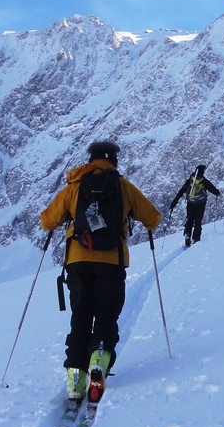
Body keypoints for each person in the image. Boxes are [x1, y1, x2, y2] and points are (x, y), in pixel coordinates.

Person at [40, 141, 161, 411]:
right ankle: (99, 361)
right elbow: (153, 216)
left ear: (90, 159)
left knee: (80, 318)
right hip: (111, 263)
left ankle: (74, 380)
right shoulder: (123, 187)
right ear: (113, 160)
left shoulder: (74, 187)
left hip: (78, 263)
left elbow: (48, 220)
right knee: (106, 317)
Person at [169, 164, 220, 247]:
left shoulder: (189, 181)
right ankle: (196, 239)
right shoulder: (204, 181)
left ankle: (187, 235)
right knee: (198, 221)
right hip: (201, 203)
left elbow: (180, 192)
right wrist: (217, 193)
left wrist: (173, 204)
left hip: (190, 203)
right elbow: (212, 189)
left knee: (190, 220)